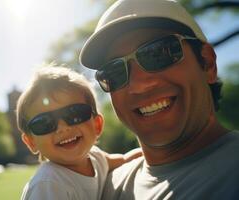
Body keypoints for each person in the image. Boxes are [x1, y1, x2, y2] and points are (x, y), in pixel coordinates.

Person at [79, 0, 239, 199]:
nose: (139, 84)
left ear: (207, 63)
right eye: (114, 72)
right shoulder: (101, 187)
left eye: (158, 53)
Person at [16, 66, 142, 200]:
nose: (63, 128)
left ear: (97, 125)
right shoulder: (48, 185)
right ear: (31, 142)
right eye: (44, 123)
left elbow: (124, 159)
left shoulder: (96, 158)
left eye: (75, 113)